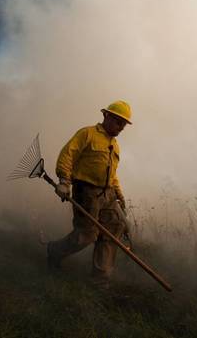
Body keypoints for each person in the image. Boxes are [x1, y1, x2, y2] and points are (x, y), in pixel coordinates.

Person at [47, 100, 132, 288]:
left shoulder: (115, 144)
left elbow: (112, 173)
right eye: (118, 122)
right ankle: (54, 251)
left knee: (112, 231)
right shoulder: (87, 134)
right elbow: (67, 154)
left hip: (107, 194)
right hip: (86, 192)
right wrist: (64, 181)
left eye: (124, 124)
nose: (121, 127)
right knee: (87, 234)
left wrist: (119, 194)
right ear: (106, 116)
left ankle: (100, 281)